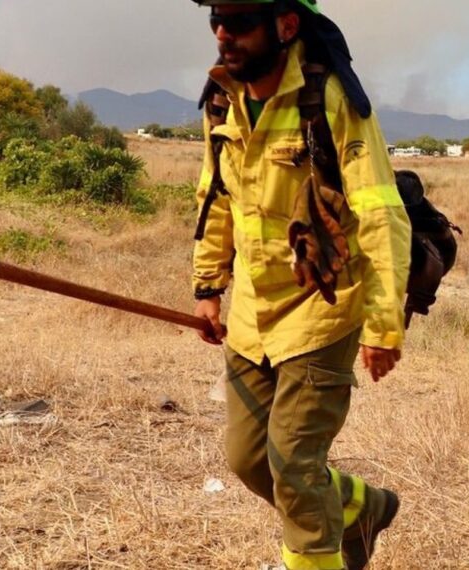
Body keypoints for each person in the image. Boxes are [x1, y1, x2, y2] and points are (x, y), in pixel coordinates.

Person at [189, 1, 410, 568]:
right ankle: (360, 508)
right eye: (217, 17)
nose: (223, 32)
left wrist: (384, 325)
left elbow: (381, 213)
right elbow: (217, 202)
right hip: (252, 317)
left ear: (285, 25)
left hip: (322, 310)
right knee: (247, 458)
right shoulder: (222, 101)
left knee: (293, 465)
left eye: (239, 20)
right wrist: (209, 287)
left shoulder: (329, 99)